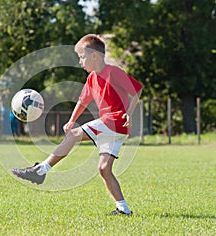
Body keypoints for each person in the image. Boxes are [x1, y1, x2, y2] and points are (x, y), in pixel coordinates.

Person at [12, 34, 143, 216]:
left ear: (94, 56)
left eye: (82, 57)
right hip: (113, 128)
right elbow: (82, 101)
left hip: (113, 121)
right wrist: (72, 119)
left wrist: (128, 113)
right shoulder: (91, 79)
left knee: (73, 135)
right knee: (104, 169)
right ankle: (123, 209)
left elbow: (137, 90)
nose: (80, 61)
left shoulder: (113, 72)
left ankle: (40, 170)